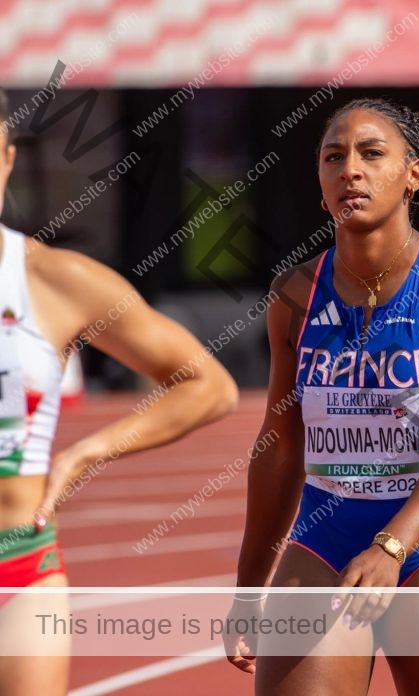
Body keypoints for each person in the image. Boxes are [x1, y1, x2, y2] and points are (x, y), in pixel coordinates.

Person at [225, 97, 419, 695]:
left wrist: (392, 546)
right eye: (334, 157)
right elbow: (279, 448)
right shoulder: (295, 293)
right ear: (320, 180)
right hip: (323, 540)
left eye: (371, 154)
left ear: (413, 175)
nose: (349, 169)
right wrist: (248, 591)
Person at [0, 88, 239, 696]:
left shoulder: (54, 280)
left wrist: (89, 452)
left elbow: (206, 385)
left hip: (19, 569)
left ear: (5, 159)